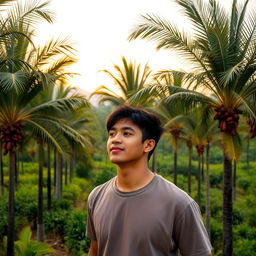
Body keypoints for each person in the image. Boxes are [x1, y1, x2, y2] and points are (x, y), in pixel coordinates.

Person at [86, 105, 212, 256]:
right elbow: (95, 250)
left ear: (148, 144)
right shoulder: (96, 196)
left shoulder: (179, 203)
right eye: (112, 134)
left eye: (126, 133)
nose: (115, 140)